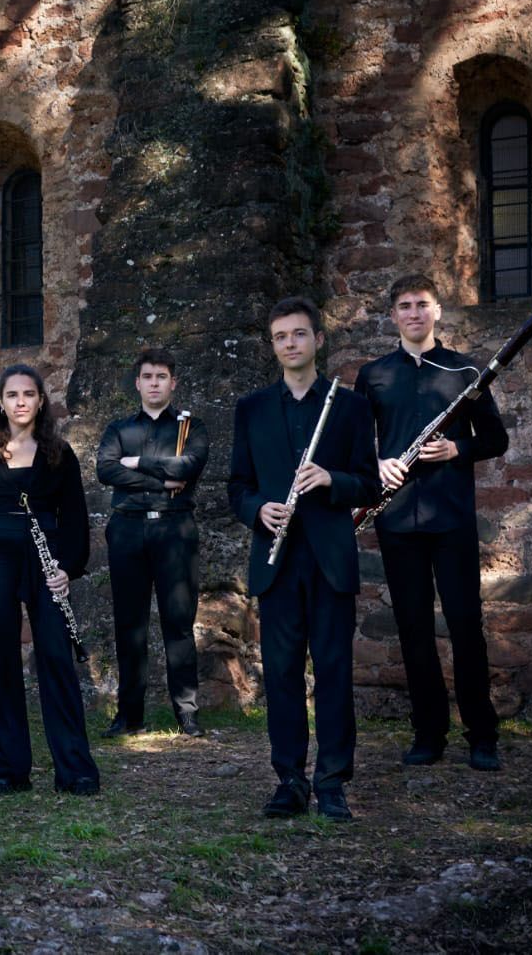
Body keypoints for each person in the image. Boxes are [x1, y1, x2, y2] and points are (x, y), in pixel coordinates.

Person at [228, 297, 380, 822]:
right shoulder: (251, 409)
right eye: (280, 337)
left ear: (317, 339)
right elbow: (236, 488)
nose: (290, 344)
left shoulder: (351, 406)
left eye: (298, 334)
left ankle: (333, 781)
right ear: (273, 346)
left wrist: (332, 480)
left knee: (335, 671)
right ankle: (290, 779)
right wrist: (257, 509)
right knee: (283, 675)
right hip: (277, 560)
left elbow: (371, 481)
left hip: (330, 558)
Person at [356, 274, 508, 772]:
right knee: (413, 628)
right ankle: (429, 733)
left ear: (438, 311)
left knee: (466, 626)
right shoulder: (373, 374)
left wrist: (456, 448)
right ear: (393, 315)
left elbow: (495, 439)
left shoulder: (466, 370)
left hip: (452, 518)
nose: (414, 313)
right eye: (404, 306)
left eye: (422, 304)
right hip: (397, 520)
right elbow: (357, 446)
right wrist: (376, 464)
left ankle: (481, 735)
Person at [0, 364, 98, 796]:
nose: (20, 402)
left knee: (56, 655)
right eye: (12, 395)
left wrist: (67, 568)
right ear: (1, 403)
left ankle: (75, 770)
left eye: (29, 394)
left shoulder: (59, 455)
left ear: (40, 402)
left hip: (45, 555)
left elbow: (75, 518)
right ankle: (7, 769)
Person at [94, 347, 209, 738]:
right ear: (138, 382)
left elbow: (189, 467)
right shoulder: (118, 430)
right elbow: (105, 470)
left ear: (172, 382)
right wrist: (163, 481)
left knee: (178, 622)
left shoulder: (191, 428)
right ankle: (130, 716)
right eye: (148, 377)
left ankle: (187, 714)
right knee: (130, 625)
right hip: (127, 529)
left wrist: (137, 463)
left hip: (175, 530)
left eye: (161, 377)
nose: (154, 383)